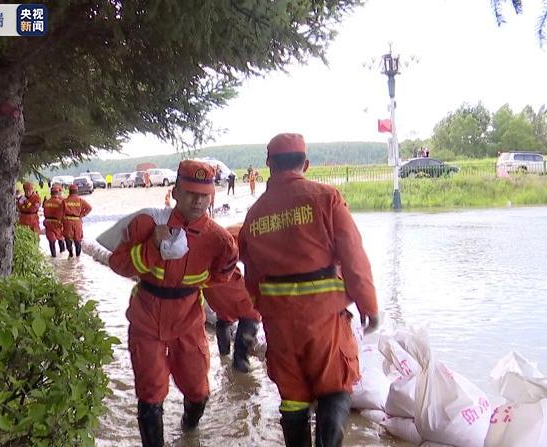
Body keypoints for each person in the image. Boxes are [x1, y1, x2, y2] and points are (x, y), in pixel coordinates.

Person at [239, 133, 379, 447]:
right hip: (323, 317)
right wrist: (369, 306)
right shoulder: (326, 197)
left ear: (269, 165)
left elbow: (251, 278)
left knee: (292, 397)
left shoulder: (254, 214)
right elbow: (353, 255)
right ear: (306, 163)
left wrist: (264, 313)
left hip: (279, 323)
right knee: (335, 388)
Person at [108, 160, 239, 447]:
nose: (198, 200)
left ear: (212, 195)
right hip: (146, 319)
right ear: (175, 192)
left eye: (204, 194)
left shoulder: (221, 241)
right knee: (150, 394)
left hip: (188, 322)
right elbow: (118, 264)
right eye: (190, 192)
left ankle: (188, 431)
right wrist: (152, 246)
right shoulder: (147, 224)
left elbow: (221, 278)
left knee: (198, 390)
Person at [202, 223, 261, 372]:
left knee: (224, 317)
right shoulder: (253, 233)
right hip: (222, 280)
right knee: (251, 313)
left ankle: (224, 353)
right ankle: (241, 361)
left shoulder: (235, 229)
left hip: (208, 286)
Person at [62, 183, 92, 258]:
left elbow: (60, 213)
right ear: (77, 191)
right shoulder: (80, 200)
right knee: (77, 239)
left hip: (67, 222)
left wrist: (61, 222)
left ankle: (71, 254)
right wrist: (82, 215)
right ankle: (78, 257)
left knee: (68, 238)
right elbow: (89, 208)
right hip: (77, 221)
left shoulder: (65, 201)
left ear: (69, 191)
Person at [42, 185, 67, 257]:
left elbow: (44, 211)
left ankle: (53, 257)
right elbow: (64, 213)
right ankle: (62, 255)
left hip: (48, 223)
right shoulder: (61, 202)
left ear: (51, 193)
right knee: (61, 239)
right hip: (58, 224)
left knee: (51, 241)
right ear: (58, 193)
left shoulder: (46, 202)